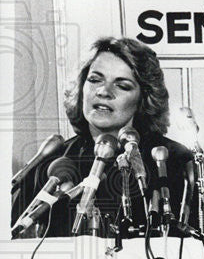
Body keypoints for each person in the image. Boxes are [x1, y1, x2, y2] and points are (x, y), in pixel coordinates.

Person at [11, 37, 194, 238]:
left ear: (143, 98)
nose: (104, 91)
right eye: (95, 79)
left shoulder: (171, 160)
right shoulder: (51, 162)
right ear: (81, 87)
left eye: (122, 85)